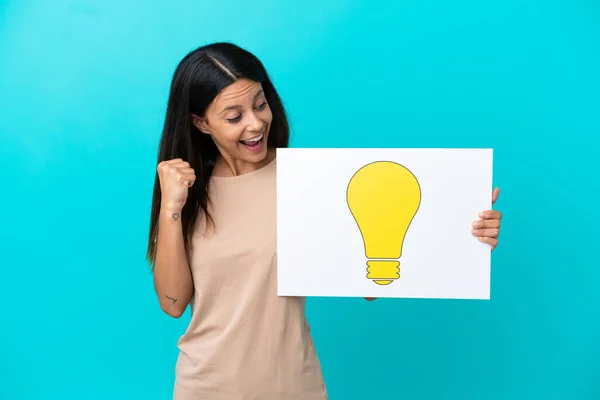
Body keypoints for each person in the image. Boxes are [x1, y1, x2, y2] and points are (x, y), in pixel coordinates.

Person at [145, 42, 503, 400]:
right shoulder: (188, 190)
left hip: (294, 387)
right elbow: (174, 303)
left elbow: (370, 284)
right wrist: (170, 209)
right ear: (201, 123)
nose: (256, 124)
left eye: (260, 104)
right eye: (234, 116)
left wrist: (461, 228)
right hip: (204, 389)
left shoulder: (310, 182)